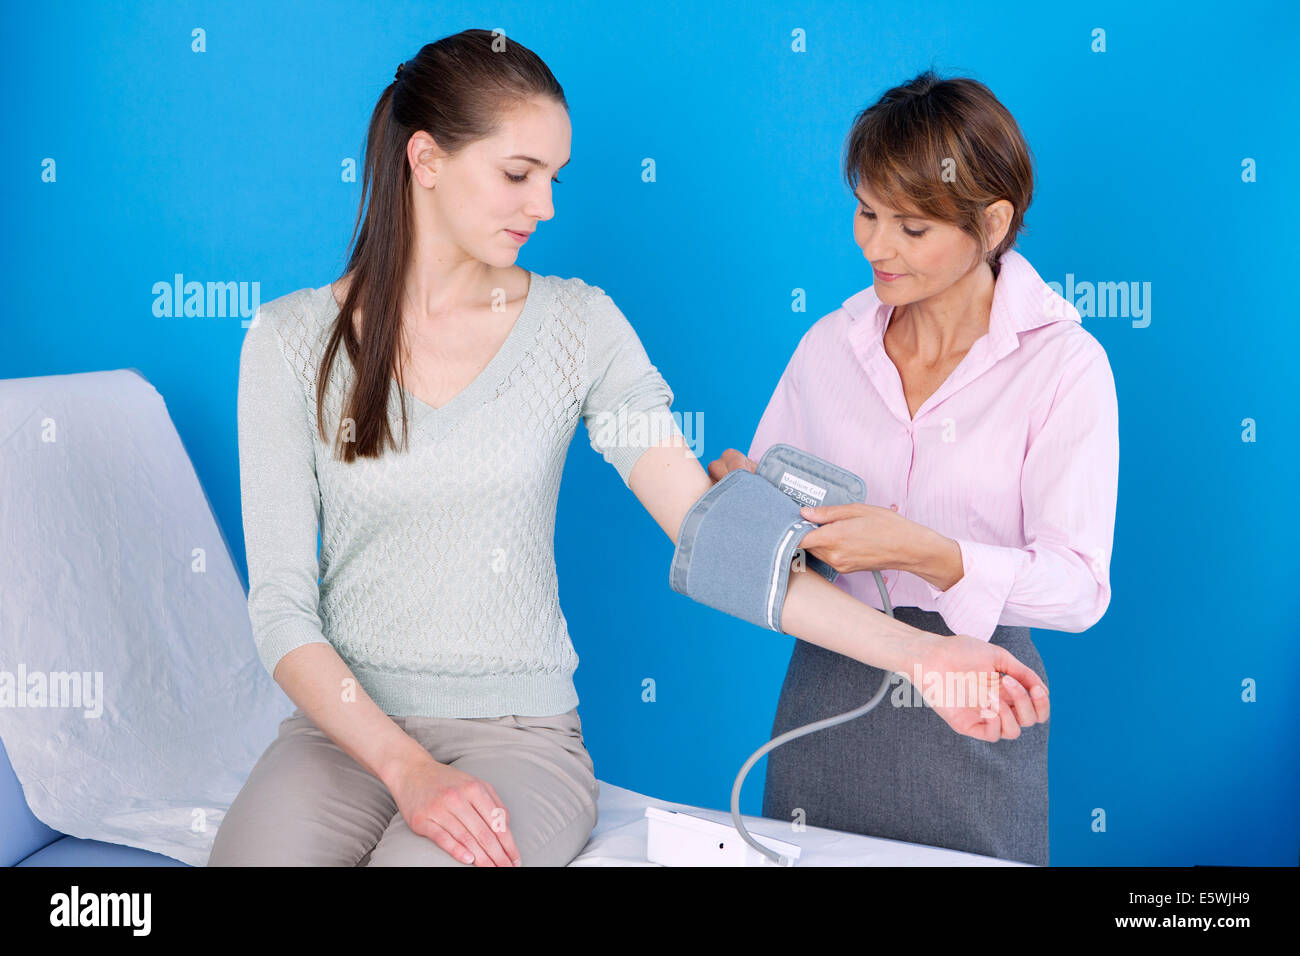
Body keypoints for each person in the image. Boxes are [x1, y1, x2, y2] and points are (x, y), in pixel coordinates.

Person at [210, 32, 1051, 868]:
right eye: (518, 175)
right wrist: (407, 769)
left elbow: (715, 538)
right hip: (339, 738)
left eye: (554, 179)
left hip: (519, 740)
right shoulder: (288, 341)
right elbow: (281, 611)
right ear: (425, 159)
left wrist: (928, 655)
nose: (545, 207)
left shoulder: (579, 328)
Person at [709, 71, 1119, 866]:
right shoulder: (831, 345)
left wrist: (920, 549)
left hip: (977, 690)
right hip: (827, 678)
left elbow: (1079, 589)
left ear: (993, 224)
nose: (875, 246)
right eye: (865, 213)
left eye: (912, 227)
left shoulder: (1065, 366)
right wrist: (750, 508)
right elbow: (754, 548)